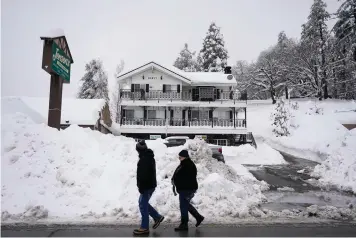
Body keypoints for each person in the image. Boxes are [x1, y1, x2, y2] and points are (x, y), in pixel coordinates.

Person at [133, 140, 164, 235]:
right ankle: (157, 217)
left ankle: (144, 227)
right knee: (143, 203)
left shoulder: (144, 159)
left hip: (146, 186)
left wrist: (141, 187)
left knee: (143, 205)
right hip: (150, 185)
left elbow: (144, 175)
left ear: (139, 150)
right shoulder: (148, 156)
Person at [172, 149, 204, 231]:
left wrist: (177, 182)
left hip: (186, 189)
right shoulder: (184, 164)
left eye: (180, 157)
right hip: (185, 188)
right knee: (185, 205)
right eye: (179, 157)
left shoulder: (188, 165)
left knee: (183, 206)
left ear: (185, 157)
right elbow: (178, 174)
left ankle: (184, 224)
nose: (179, 158)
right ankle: (198, 217)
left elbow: (185, 178)